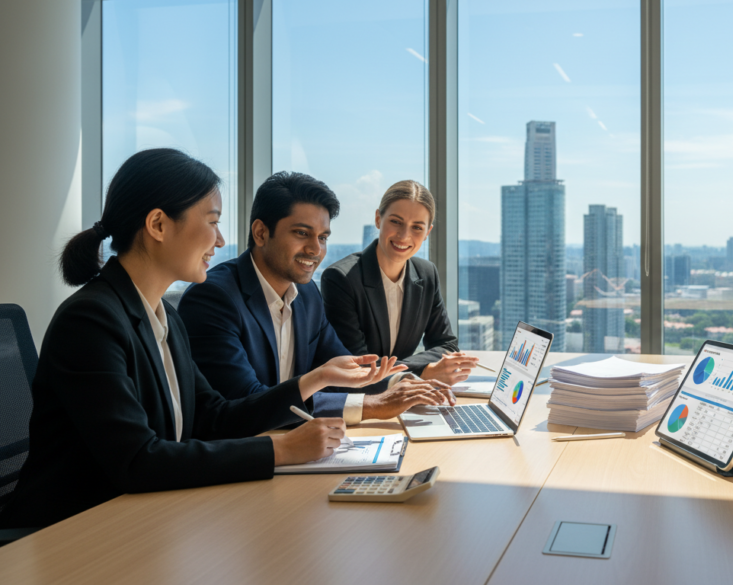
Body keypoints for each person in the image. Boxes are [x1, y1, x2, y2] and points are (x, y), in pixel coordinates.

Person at [0, 149, 401, 530]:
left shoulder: (164, 317)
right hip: (74, 533)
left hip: (149, 519)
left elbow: (215, 418)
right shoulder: (90, 320)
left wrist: (310, 382)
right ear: (158, 225)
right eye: (212, 221)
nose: (222, 240)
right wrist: (281, 450)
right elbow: (138, 460)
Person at [177, 171, 453, 424]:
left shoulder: (307, 294)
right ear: (261, 232)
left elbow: (345, 371)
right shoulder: (214, 297)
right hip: (248, 455)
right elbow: (246, 403)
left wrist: (401, 382)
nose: (315, 249)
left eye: (323, 237)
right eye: (301, 233)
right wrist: (371, 406)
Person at [321, 180, 478, 385]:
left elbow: (446, 345)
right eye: (396, 222)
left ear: (427, 233)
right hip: (357, 402)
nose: (404, 236)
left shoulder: (426, 273)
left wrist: (408, 372)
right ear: (378, 219)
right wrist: (422, 372)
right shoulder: (341, 278)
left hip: (402, 397)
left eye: (417, 227)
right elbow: (358, 366)